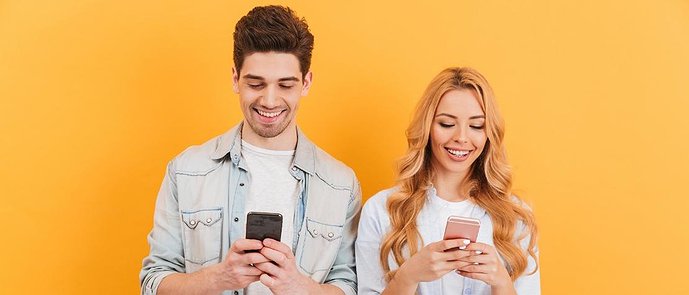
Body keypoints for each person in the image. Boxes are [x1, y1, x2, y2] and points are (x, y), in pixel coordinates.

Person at [140, 6, 361, 295]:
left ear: (306, 83)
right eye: (255, 83)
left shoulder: (341, 184)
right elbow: (153, 281)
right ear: (235, 79)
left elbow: (349, 286)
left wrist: (299, 287)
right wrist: (220, 278)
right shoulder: (187, 170)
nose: (269, 100)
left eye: (285, 85)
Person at [356, 67, 540, 295]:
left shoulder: (515, 216)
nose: (461, 138)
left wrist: (501, 283)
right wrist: (408, 276)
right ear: (427, 128)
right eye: (446, 124)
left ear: (489, 133)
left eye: (476, 126)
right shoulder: (381, 210)